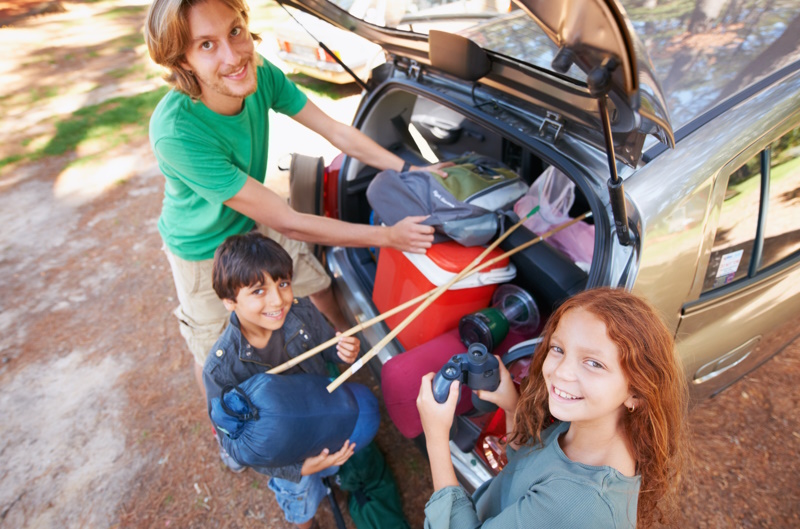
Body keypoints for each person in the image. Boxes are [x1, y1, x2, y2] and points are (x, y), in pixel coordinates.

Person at [144, 0, 447, 398]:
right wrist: (389, 236)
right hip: (201, 247)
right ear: (180, 60)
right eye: (206, 45)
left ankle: (347, 357)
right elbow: (287, 220)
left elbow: (335, 131)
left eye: (234, 31)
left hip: (256, 215)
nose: (233, 56)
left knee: (311, 281)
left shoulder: (259, 72)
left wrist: (408, 171)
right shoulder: (176, 131)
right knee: (216, 345)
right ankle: (228, 425)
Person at [417, 287, 690, 528]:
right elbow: (525, 467)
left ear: (636, 394)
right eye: (558, 349)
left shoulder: (577, 504)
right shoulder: (585, 425)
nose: (561, 372)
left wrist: (436, 438)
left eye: (594, 363)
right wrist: (512, 405)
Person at [204, 232, 377, 529]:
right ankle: (304, 521)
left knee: (356, 426)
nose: (278, 299)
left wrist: (342, 350)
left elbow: (328, 349)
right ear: (229, 301)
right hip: (284, 451)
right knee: (300, 495)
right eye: (259, 291)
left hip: (319, 411)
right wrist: (298, 468)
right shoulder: (221, 368)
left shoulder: (303, 311)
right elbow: (233, 444)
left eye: (283, 283)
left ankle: (326, 472)